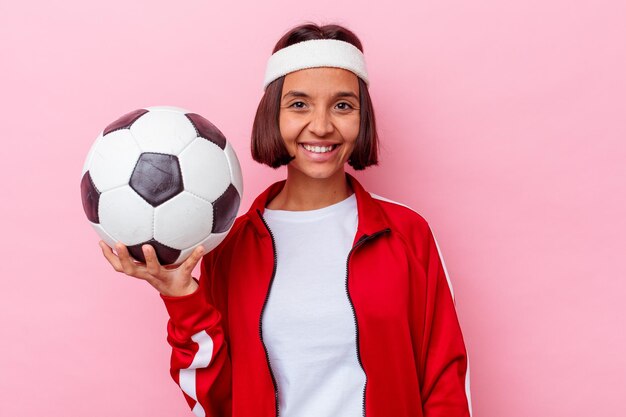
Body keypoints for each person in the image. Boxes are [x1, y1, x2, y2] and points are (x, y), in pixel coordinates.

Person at [100, 23, 472, 417]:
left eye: (343, 105)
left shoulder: (406, 234)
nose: (322, 125)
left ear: (363, 118)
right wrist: (181, 298)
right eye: (299, 104)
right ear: (272, 115)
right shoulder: (232, 247)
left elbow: (445, 379)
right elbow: (215, 402)